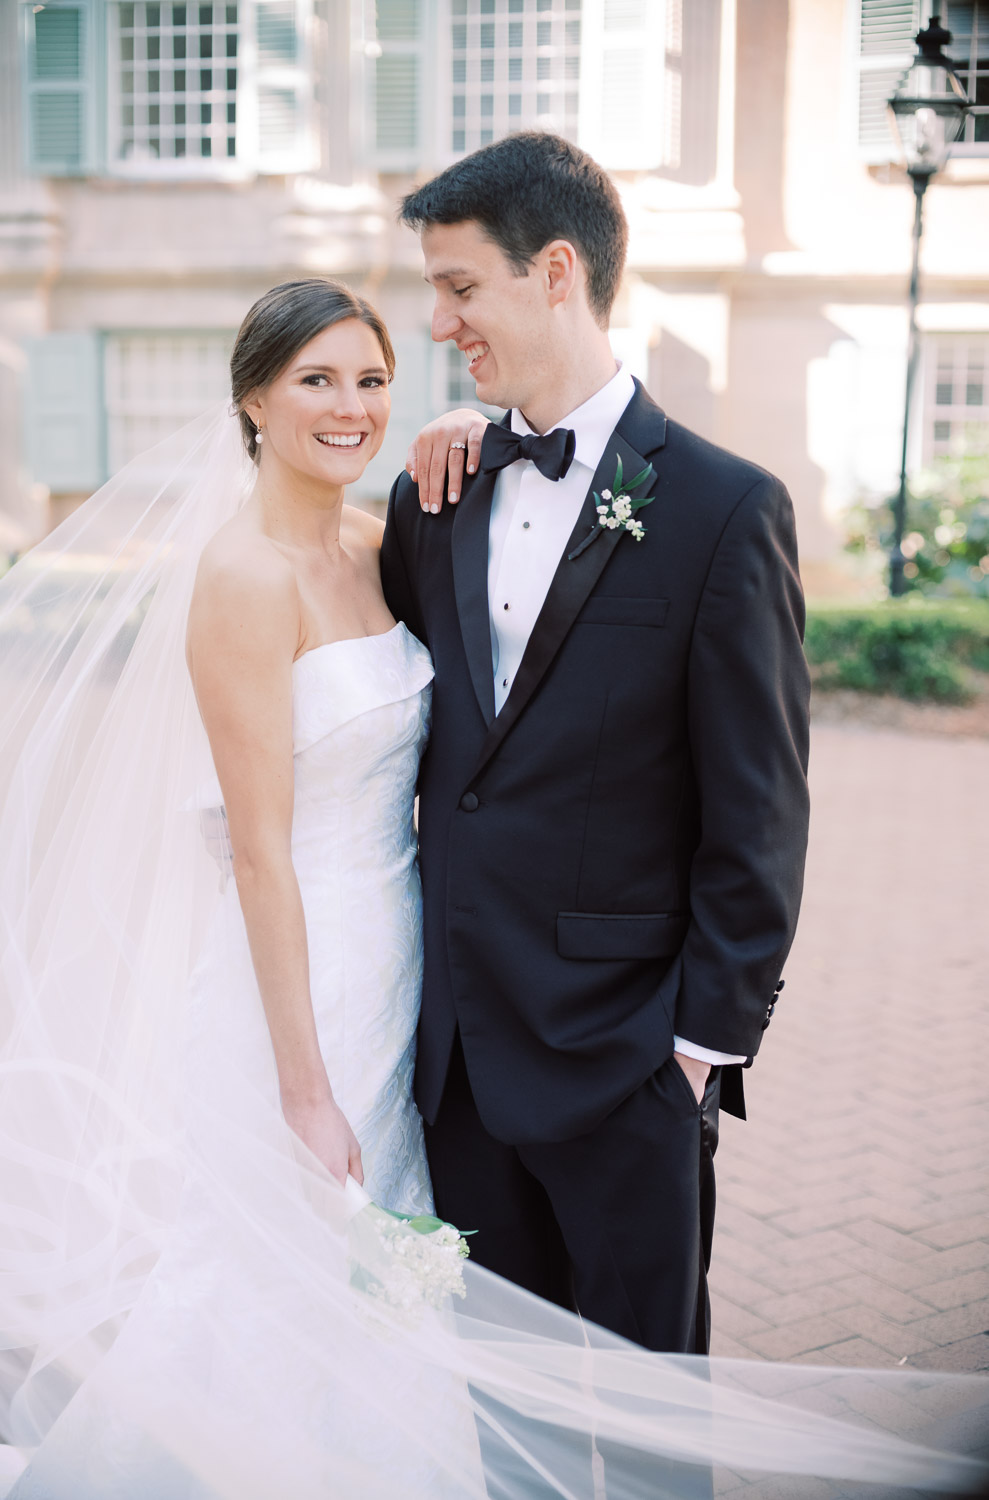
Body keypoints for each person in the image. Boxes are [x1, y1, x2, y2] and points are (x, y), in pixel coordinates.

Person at [0, 278, 983, 1500]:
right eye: (316, 380)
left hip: (422, 977)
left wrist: (472, 435)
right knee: (277, 1280)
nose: (352, 407)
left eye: (373, 379)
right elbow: (254, 853)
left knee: (397, 1295)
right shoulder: (238, 579)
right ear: (251, 397)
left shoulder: (383, 534)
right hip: (303, 990)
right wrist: (301, 1085)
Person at [381, 130, 810, 1359]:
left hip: (627, 1062)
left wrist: (695, 1054)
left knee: (655, 1420)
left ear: (554, 270)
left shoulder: (728, 510)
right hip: (457, 1062)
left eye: (460, 287)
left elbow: (760, 812)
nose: (437, 322)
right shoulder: (435, 494)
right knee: (504, 1413)